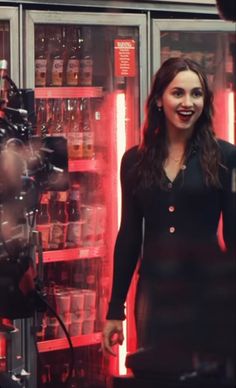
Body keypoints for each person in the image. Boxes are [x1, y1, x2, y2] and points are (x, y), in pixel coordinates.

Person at [102, 57, 236, 381]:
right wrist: (114, 309)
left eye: (197, 94)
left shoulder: (227, 157)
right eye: (178, 93)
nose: (188, 103)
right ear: (159, 99)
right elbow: (130, 235)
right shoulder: (133, 161)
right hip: (154, 296)